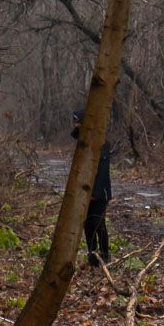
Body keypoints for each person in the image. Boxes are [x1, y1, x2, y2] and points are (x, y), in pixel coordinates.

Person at [71, 109, 112, 266]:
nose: (77, 125)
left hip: (100, 193)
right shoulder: (83, 143)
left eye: (79, 122)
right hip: (85, 192)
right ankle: (92, 255)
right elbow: (76, 136)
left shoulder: (102, 143)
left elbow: (103, 171)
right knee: (88, 224)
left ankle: (105, 254)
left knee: (98, 223)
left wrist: (95, 193)